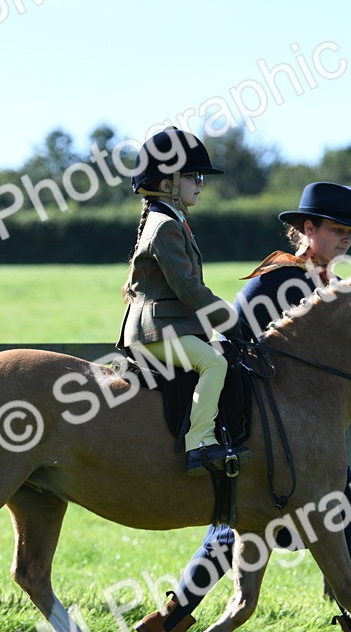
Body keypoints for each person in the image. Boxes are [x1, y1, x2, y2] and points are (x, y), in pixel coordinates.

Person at [133, 182, 351, 632]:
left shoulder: (330, 281)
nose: (345, 238)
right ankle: (175, 615)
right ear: (307, 229)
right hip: (261, 419)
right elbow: (236, 336)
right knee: (236, 523)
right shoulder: (277, 280)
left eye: (349, 231)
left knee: (339, 512)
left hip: (311, 428)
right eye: (335, 229)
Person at [117, 127, 249, 477]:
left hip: (170, 327)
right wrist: (231, 318)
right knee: (213, 364)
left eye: (200, 176)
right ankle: (201, 442)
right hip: (156, 332)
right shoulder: (165, 227)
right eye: (192, 176)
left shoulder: (172, 221)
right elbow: (189, 290)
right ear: (166, 184)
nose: (200, 183)